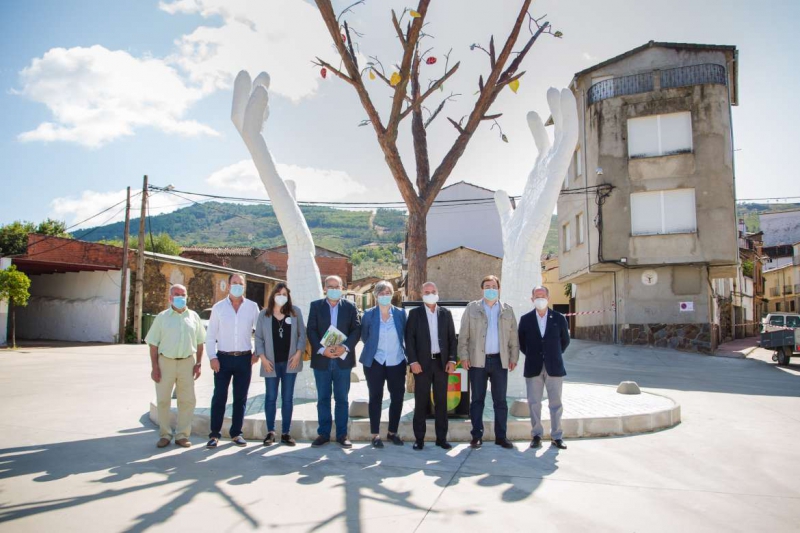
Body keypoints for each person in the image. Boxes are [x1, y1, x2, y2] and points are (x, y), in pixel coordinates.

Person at [458, 275, 519, 449]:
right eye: (487, 286)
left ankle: (501, 436)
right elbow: (464, 335)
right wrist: (463, 356)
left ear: (499, 289)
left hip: (500, 361)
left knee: (500, 401)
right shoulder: (472, 308)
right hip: (478, 361)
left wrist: (513, 357)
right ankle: (476, 436)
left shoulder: (507, 310)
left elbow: (513, 337)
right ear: (482, 289)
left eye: (494, 286)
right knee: (477, 400)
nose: (490, 289)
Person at [145, 284, 205, 448]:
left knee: (187, 401)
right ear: (170, 298)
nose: (180, 297)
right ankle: (165, 434)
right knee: (163, 400)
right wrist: (155, 367)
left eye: (183, 294)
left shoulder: (193, 317)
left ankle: (182, 435)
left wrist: (198, 363)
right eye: (177, 294)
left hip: (187, 363)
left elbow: (200, 342)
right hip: (166, 363)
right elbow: (153, 345)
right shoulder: (162, 317)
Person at [205, 273, 260, 448]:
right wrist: (212, 357)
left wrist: (257, 353)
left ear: (244, 286)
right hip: (223, 358)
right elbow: (210, 335)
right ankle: (214, 434)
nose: (237, 286)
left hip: (245, 358)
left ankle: (236, 433)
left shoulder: (252, 307)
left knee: (240, 398)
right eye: (234, 283)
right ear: (228, 286)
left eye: (240, 283)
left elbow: (259, 332)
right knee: (219, 396)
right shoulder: (219, 308)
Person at [307, 275, 361, 448]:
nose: (333, 289)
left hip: (343, 361)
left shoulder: (350, 307)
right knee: (323, 399)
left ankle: (342, 435)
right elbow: (311, 330)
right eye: (330, 286)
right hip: (322, 360)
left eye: (336, 286)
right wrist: (323, 350)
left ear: (342, 288)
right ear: (325, 288)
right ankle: (323, 433)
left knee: (342, 399)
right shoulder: (315, 306)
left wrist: (344, 347)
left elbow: (356, 330)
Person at [406, 281, 457, 450]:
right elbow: (410, 340)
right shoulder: (414, 314)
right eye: (426, 291)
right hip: (422, 365)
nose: (430, 294)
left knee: (441, 402)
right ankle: (419, 439)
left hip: (442, 364)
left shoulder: (446, 313)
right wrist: (413, 362)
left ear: (438, 293)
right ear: (421, 294)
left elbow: (451, 338)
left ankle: (441, 438)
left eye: (433, 291)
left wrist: (451, 359)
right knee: (421, 402)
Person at [518, 285, 570, 450]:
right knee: (534, 403)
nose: (540, 298)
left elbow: (565, 341)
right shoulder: (525, 319)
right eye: (536, 296)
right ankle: (536, 435)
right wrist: (535, 355)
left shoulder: (559, 318)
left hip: (554, 366)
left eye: (543, 295)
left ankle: (557, 436)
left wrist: (552, 354)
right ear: (532, 299)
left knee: (556, 403)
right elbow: (522, 343)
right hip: (533, 366)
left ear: (548, 298)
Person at [255, 282, 306, 446]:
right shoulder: (264, 314)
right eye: (279, 294)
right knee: (270, 397)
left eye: (285, 294)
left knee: (287, 398)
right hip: (270, 362)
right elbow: (258, 339)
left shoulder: (295, 312)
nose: (282, 297)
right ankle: (271, 432)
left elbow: (301, 335)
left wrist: (298, 353)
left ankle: (286, 432)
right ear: (273, 296)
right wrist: (262, 358)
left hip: (290, 362)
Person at [359, 280, 407, 448]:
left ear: (392, 295)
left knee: (397, 398)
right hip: (375, 362)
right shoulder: (368, 314)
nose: (385, 296)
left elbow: (405, 335)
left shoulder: (401, 314)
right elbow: (365, 337)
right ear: (376, 296)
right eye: (381, 293)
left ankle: (392, 432)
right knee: (375, 397)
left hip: (397, 361)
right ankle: (375, 434)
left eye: (388, 293)